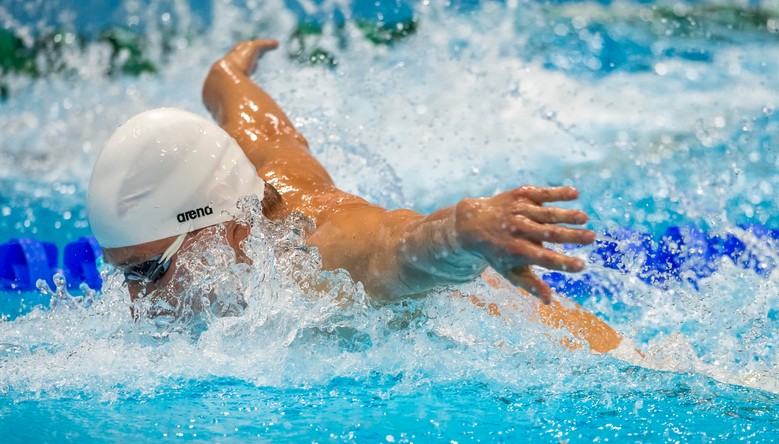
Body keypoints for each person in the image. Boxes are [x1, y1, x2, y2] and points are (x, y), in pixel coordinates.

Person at [87, 40, 622, 353]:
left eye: (148, 270)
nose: (136, 302)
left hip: (579, 357)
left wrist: (462, 229)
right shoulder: (253, 179)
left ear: (226, 227)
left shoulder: (317, 254)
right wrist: (226, 78)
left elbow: (397, 247)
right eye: (124, 273)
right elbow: (266, 133)